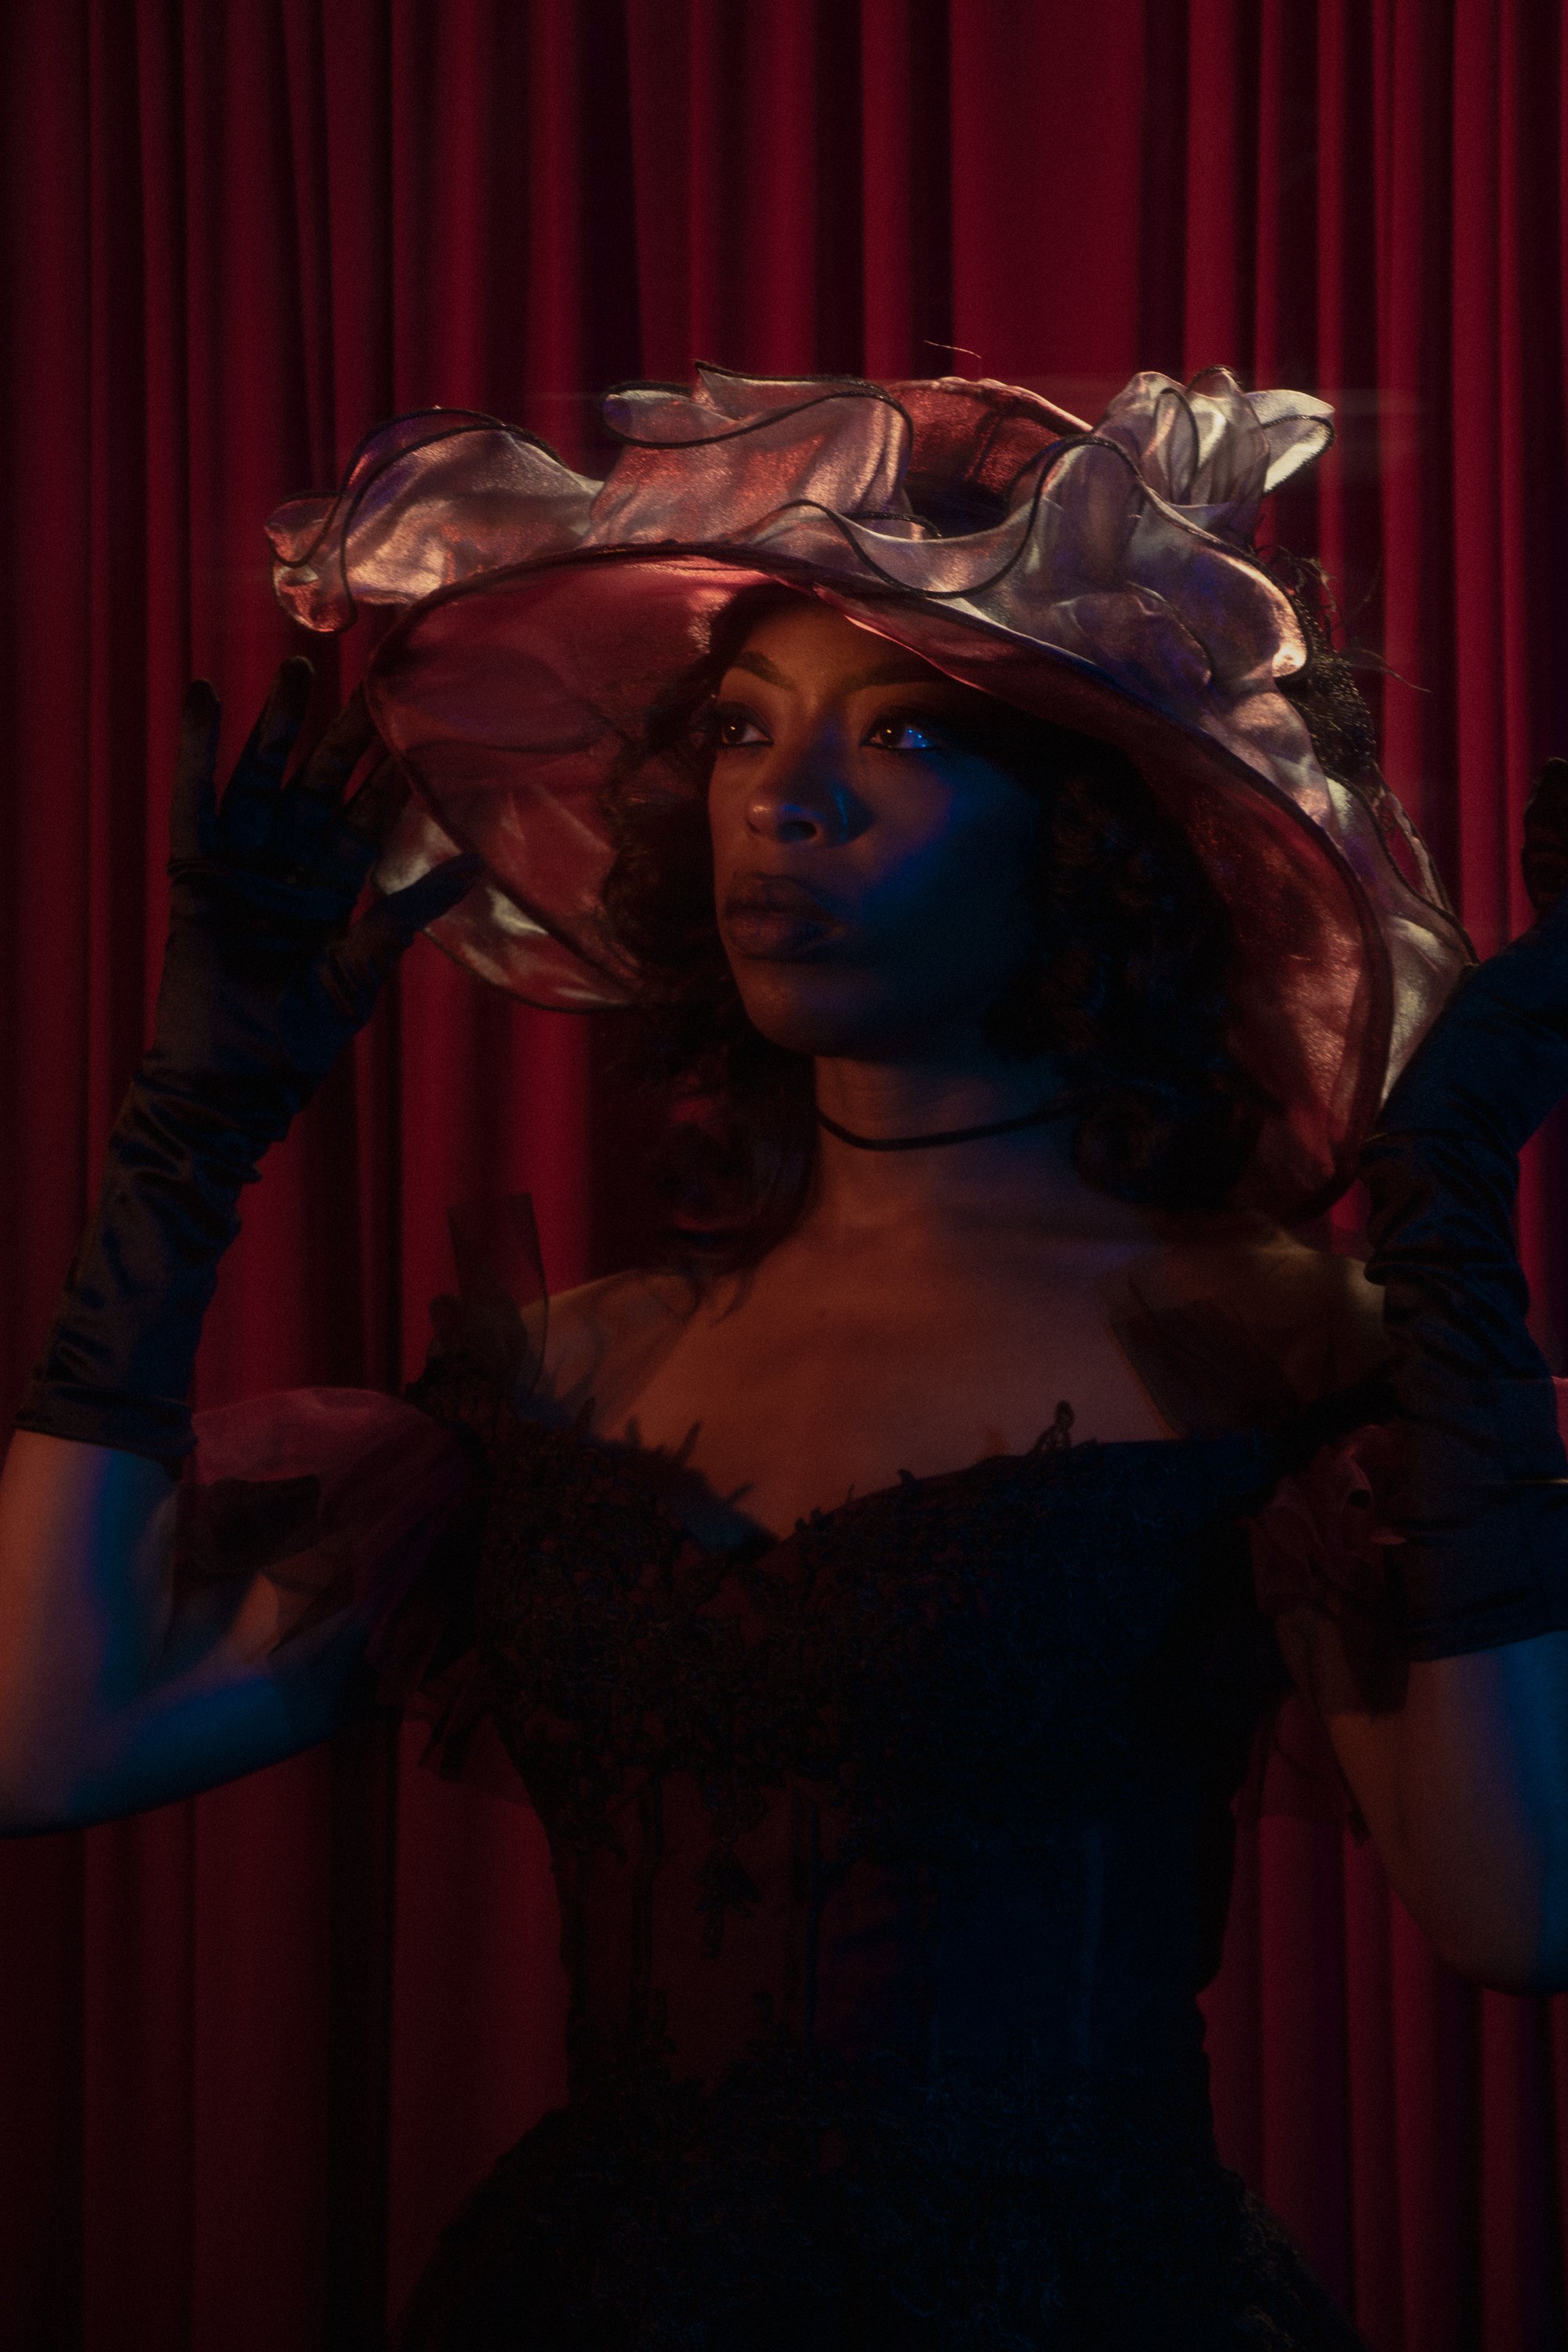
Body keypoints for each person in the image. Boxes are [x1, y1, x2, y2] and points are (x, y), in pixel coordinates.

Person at [4, 363, 1568, 2347]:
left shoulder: (1279, 1355)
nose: (789, 800)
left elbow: (1519, 1916)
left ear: (1089, 835)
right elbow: (43, 1745)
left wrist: (1442, 1209)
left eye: (898, 731)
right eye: (743, 731)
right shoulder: (561, 1378)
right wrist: (185, 1140)